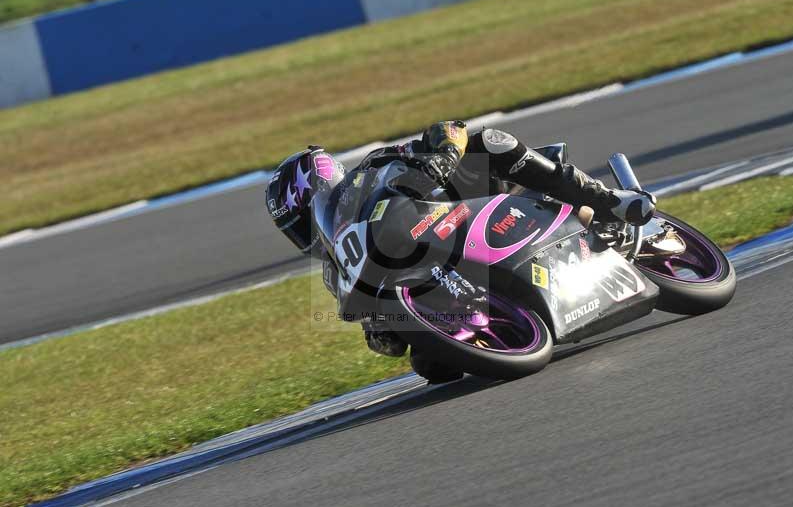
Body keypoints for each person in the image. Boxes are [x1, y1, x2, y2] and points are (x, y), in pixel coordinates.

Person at [266, 121, 656, 359]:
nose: (305, 237)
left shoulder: (372, 169)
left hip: (465, 208)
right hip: (441, 290)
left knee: (490, 141)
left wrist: (443, 157)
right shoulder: (337, 270)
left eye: (301, 223)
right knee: (431, 367)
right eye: (295, 231)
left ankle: (608, 202)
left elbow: (449, 129)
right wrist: (381, 331)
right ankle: (508, 325)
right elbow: (383, 341)